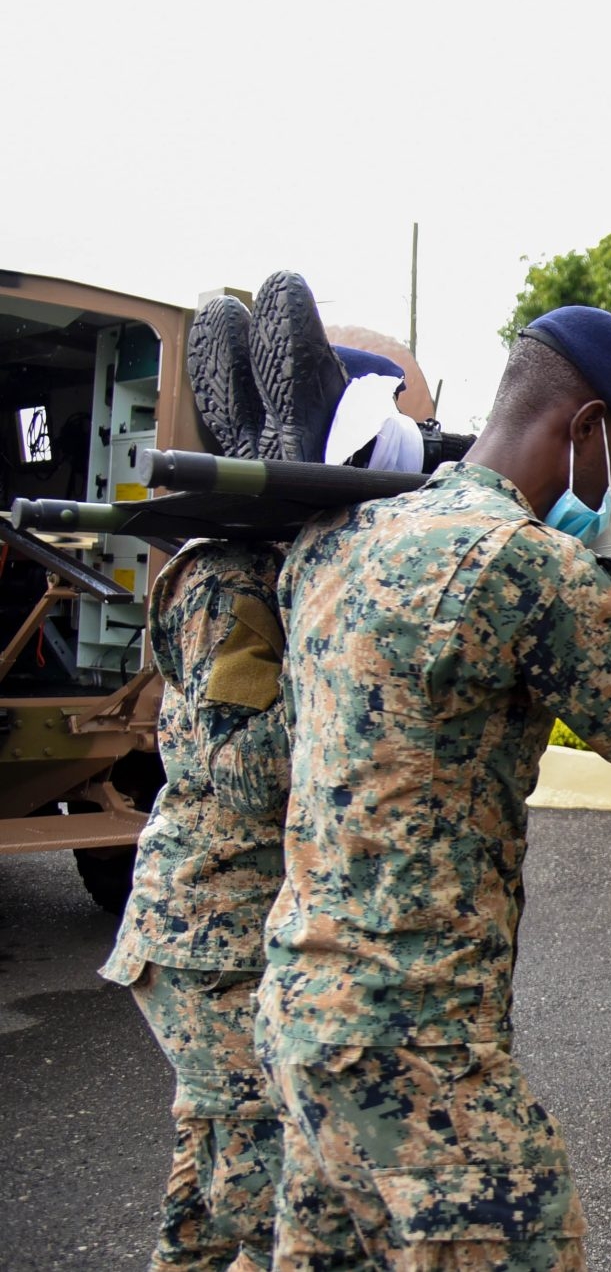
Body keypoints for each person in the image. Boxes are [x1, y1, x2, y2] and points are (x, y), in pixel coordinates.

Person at [258, 305, 611, 1271]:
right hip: (416, 1053)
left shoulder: (334, 541)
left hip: (300, 1021)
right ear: (587, 427)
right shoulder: (527, 565)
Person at [100, 539, 292, 1270]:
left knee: (206, 1214)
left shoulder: (284, 564)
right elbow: (248, 771)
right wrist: (343, 659)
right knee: (279, 1207)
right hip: (211, 935)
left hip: (250, 932)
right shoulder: (226, 580)